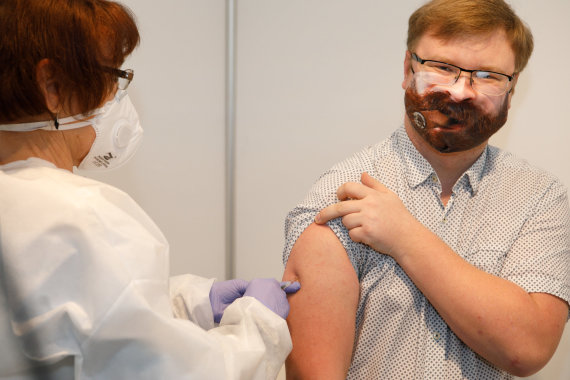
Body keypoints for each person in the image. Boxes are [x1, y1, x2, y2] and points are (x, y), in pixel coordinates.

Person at [0, 0, 299, 379]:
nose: (117, 96)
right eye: (112, 76)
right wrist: (260, 326)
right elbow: (175, 372)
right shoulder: (83, 219)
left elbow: (85, 320)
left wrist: (191, 303)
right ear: (53, 87)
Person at [282, 0, 570, 379]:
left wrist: (404, 236)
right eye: (443, 67)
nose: (461, 91)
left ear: (511, 91)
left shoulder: (541, 199)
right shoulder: (339, 199)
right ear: (407, 69)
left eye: (487, 75)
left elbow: (527, 349)